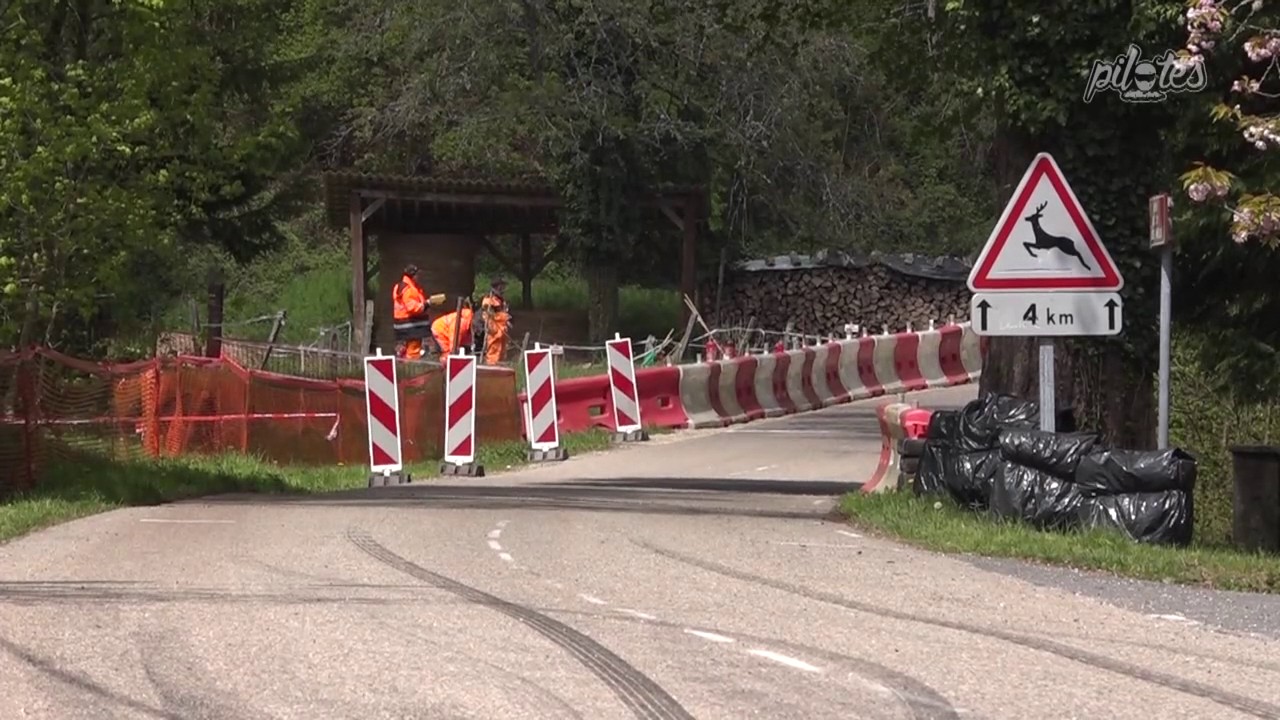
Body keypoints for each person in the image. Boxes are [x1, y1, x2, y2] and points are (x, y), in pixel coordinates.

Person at [392, 264, 432, 359]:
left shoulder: (401, 286)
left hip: (403, 324)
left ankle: (404, 361)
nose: (419, 277)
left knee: (405, 349)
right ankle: (411, 364)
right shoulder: (408, 289)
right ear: (413, 275)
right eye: (417, 275)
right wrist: (427, 304)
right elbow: (412, 307)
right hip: (410, 325)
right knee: (413, 350)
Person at [480, 276, 511, 365]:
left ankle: (500, 369)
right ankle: (491, 369)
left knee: (502, 353)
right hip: (495, 332)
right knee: (493, 353)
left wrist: (507, 322)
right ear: (498, 286)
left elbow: (502, 314)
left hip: (502, 331)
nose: (504, 288)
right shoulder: (489, 300)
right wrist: (493, 329)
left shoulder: (500, 299)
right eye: (502, 286)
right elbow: (487, 316)